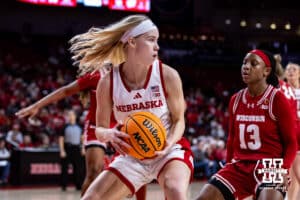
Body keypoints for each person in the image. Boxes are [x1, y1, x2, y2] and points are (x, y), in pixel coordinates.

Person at [77, 14, 193, 200]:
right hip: (132, 155)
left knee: (175, 190)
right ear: (131, 42)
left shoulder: (167, 75)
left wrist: (168, 143)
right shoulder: (107, 82)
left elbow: (179, 120)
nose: (157, 46)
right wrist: (109, 134)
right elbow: (99, 128)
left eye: (157, 41)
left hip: (169, 150)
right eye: (151, 40)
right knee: (91, 198)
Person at [15, 47, 147, 199]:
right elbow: (65, 91)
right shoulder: (95, 77)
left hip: (120, 126)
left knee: (137, 166)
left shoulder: (131, 78)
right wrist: (36, 106)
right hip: (96, 126)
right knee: (94, 171)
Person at [195, 49, 297, 200]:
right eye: (244, 63)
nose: (246, 67)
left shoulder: (277, 99)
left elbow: (291, 143)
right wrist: (228, 166)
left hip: (270, 167)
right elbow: (231, 139)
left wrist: (283, 169)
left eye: (253, 64)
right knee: (204, 197)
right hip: (239, 166)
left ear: (266, 71)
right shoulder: (235, 99)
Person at [285, 62, 300, 200]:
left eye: (294, 69)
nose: (290, 71)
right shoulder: (281, 90)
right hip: (288, 131)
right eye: (288, 69)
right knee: (291, 172)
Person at [59, 109, 84, 191]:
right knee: (64, 168)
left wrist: (83, 148)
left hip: (76, 148)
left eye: (72, 115)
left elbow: (82, 138)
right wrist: (62, 150)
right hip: (67, 148)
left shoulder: (79, 127)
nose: (70, 116)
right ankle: (64, 185)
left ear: (75, 116)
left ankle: (78, 185)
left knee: (77, 168)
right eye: (69, 115)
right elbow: (61, 139)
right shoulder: (64, 127)